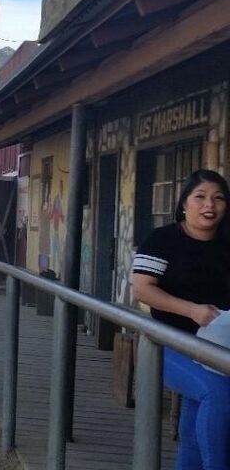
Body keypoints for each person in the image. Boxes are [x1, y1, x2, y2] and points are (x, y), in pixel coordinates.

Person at [132, 169, 230, 470]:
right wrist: (192, 310)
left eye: (218, 198)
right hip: (168, 344)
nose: (209, 205)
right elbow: (142, 290)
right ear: (184, 203)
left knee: (194, 430)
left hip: (220, 347)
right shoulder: (163, 239)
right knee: (218, 395)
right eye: (200, 197)